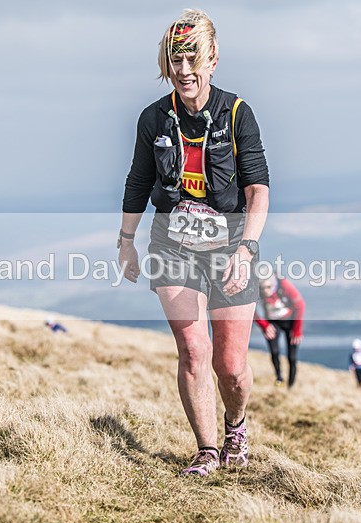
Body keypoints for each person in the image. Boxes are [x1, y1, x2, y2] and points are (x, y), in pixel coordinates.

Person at [118, 9, 270, 477]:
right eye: (175, 60)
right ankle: (206, 451)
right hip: (171, 244)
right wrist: (126, 241)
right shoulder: (153, 118)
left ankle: (236, 426)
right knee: (193, 350)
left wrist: (246, 250)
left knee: (229, 363)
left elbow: (258, 189)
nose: (184, 70)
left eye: (192, 59)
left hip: (229, 248)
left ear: (213, 59)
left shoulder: (238, 113)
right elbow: (139, 180)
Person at [253, 273, 305, 388]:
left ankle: (291, 385)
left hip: (290, 321)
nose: (266, 291)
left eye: (268, 287)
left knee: (292, 357)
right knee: (274, 352)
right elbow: (250, 309)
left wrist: (297, 331)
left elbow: (300, 305)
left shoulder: (284, 284)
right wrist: (264, 325)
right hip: (272, 323)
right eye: (262, 288)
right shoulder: (254, 288)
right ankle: (279, 378)